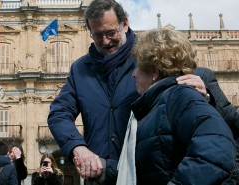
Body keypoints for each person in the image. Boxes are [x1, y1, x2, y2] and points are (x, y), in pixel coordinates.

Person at [48, 0, 212, 184]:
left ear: (125, 24)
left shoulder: (149, 56)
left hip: (145, 175)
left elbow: (184, 99)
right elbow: (59, 113)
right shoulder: (80, 69)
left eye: (111, 33)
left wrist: (204, 92)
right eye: (97, 35)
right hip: (99, 176)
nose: (105, 41)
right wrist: (77, 147)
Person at [116, 28, 236, 185]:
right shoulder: (157, 104)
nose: (134, 74)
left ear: (154, 71)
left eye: (138, 66)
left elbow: (217, 150)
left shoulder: (180, 97)